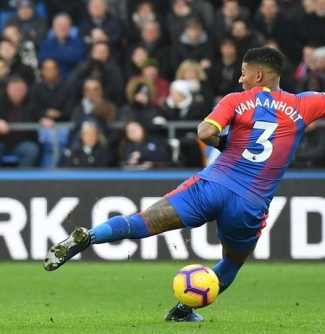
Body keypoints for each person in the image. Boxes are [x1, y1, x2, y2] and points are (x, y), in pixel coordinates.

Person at [43, 47, 325, 322]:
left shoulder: (236, 100)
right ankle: (183, 310)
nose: (241, 79)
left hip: (212, 185)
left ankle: (89, 237)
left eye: (244, 73)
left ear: (259, 75)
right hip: (250, 204)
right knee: (233, 261)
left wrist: (221, 141)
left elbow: (204, 132)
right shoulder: (303, 104)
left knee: (141, 222)